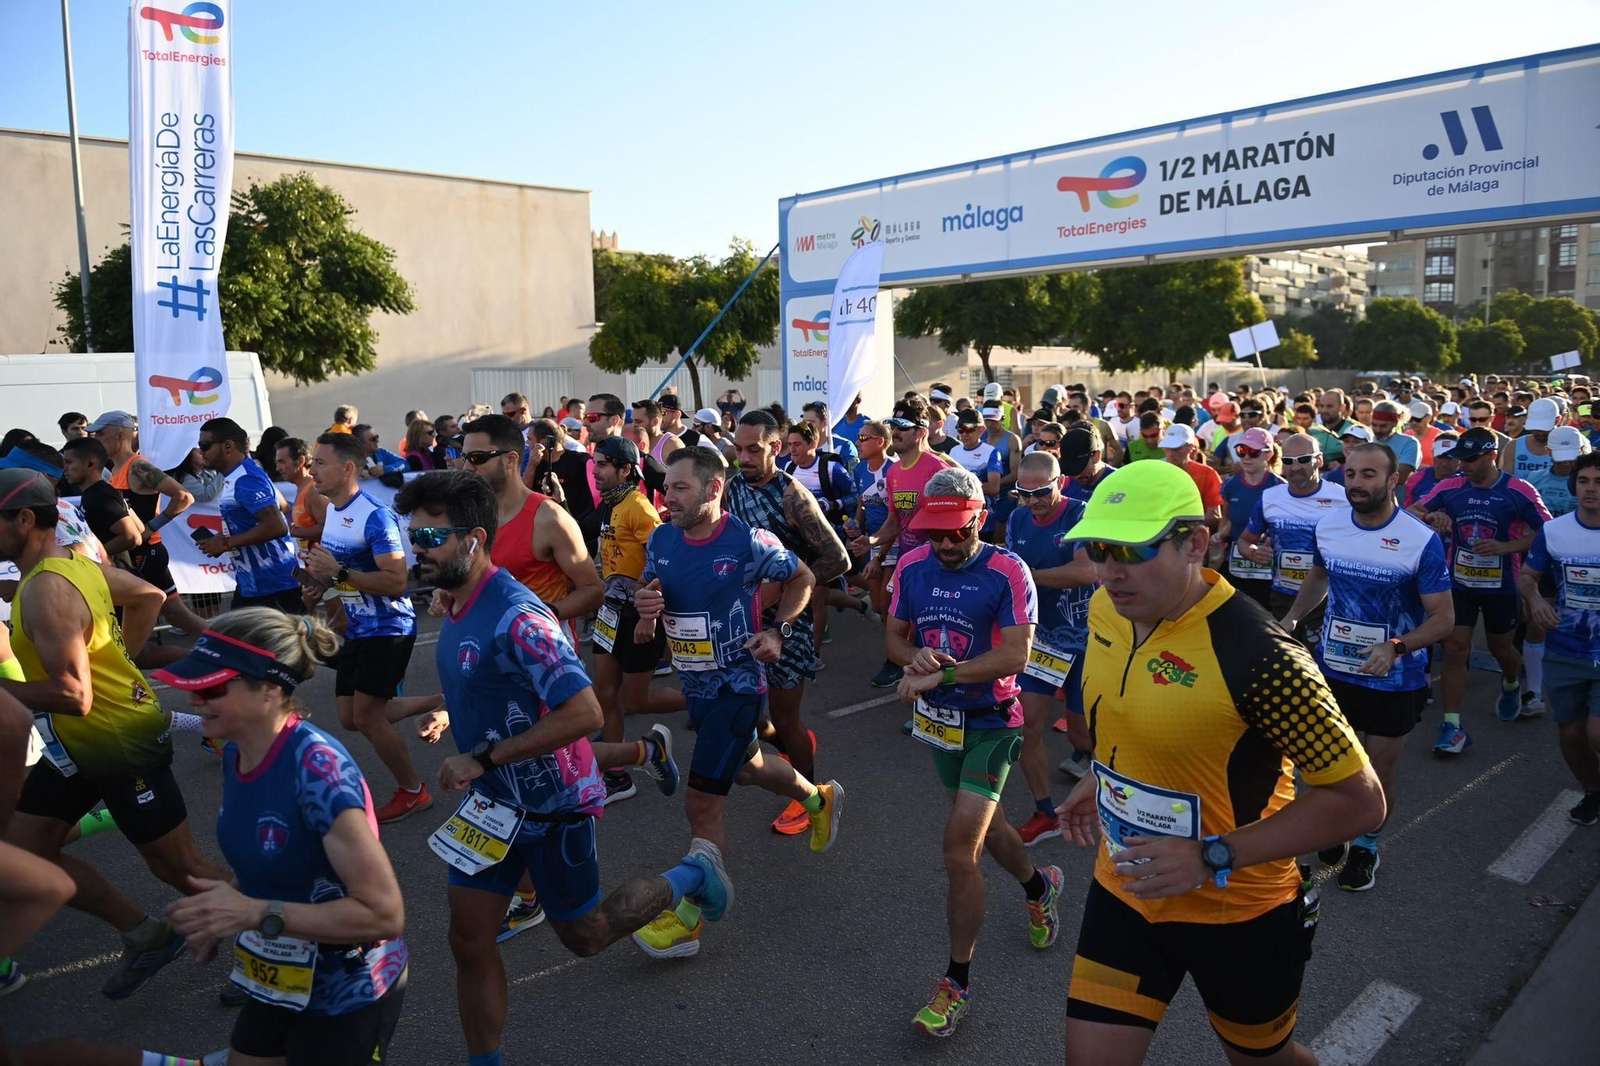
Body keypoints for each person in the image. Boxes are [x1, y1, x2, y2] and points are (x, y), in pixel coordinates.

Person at [1056, 459, 1384, 1065]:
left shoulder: (1260, 653)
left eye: (1132, 549)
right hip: (1128, 892)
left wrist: (1211, 855)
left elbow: (1360, 802)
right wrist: (1105, 775)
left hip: (1241, 913)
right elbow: (1134, 715)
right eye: (1098, 548)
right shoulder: (1107, 608)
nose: (1109, 571)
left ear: (1195, 543)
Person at [394, 471, 691, 1066]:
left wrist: (481, 756)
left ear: (474, 539)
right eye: (413, 536)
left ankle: (692, 875)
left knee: (586, 936)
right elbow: (496, 683)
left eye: (429, 537)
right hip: (491, 807)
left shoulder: (520, 617)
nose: (416, 549)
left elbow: (585, 712)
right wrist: (454, 713)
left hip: (553, 808)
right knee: (468, 940)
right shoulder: (457, 602)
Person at [0, 469, 231, 1000]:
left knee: (179, 867)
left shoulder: (47, 590)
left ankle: (298, 940)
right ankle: (146, 935)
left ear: (24, 519)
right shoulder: (74, 563)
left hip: (118, 741)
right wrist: (122, 658)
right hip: (78, 743)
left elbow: (73, 694)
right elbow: (147, 595)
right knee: (22, 855)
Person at [154, 611, 409, 1066]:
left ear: (270, 689)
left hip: (348, 988)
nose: (193, 699)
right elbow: (278, 857)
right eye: (193, 686)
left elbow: (384, 914)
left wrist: (254, 913)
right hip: (283, 971)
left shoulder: (319, 774)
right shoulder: (237, 751)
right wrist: (222, 909)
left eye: (211, 688)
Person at [629, 448, 842, 958]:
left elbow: (803, 577)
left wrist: (779, 630)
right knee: (748, 768)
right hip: (695, 685)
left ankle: (688, 921)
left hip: (738, 686)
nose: (667, 496)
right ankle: (820, 799)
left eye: (680, 488)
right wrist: (645, 607)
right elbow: (650, 588)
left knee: (701, 804)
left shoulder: (749, 541)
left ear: (713, 489)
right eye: (666, 487)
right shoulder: (660, 538)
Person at [885, 467, 1061, 1037]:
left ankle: (955, 984)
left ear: (981, 519)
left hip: (992, 722)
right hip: (941, 723)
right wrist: (913, 658)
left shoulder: (1008, 569)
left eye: (956, 532)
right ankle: (1038, 887)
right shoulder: (912, 565)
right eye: (934, 533)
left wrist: (942, 674)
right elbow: (893, 637)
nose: (944, 544)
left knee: (960, 848)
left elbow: (1016, 655)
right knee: (991, 827)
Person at [1281, 442, 1455, 892]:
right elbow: (1319, 577)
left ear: (1393, 480)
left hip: (1393, 679)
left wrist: (1396, 646)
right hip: (1334, 671)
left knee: (1377, 772)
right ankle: (1334, 825)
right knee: (1325, 764)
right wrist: (1292, 619)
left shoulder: (1420, 539)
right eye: (1351, 474)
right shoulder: (1329, 526)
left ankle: (1366, 845)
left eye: (1369, 475)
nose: (1356, 483)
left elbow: (1443, 618)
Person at [725, 410, 850, 833]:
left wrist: (787, 587)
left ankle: (811, 796)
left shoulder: (792, 495)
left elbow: (838, 559)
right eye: (738, 449)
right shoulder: (733, 487)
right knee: (746, 711)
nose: (743, 457)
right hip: (742, 618)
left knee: (785, 715)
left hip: (787, 622)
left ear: (775, 448)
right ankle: (793, 747)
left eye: (753, 449)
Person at [308, 431, 431, 824]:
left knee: (367, 717)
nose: (311, 470)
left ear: (347, 468)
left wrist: (339, 572)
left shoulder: (376, 516)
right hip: (358, 627)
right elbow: (340, 572)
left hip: (389, 626)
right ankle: (442, 701)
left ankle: (413, 791)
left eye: (320, 463)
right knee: (349, 716)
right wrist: (320, 583)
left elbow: (396, 581)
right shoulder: (333, 511)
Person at [1409, 426, 1552, 750]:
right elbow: (1413, 512)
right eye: (1462, 458)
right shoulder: (1450, 487)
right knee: (1455, 648)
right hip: (1459, 583)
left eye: (1471, 459)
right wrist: (1433, 518)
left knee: (1502, 649)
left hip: (1502, 586)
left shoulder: (1519, 490)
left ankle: (1512, 682)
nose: (1464, 465)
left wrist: (1507, 547)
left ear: (1492, 456)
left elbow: (1549, 532)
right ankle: (1452, 726)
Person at [589, 435, 684, 803]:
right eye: (595, 463)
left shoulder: (639, 507)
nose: (595, 471)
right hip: (610, 614)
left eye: (602, 465)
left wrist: (649, 617)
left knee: (636, 701)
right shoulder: (609, 504)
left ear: (625, 470)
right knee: (605, 695)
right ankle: (617, 775)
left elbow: (665, 565)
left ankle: (705, 701)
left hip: (637, 617)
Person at [1003, 452, 1097, 827]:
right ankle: (1045, 812)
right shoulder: (1017, 518)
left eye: (1041, 492)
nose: (1033, 502)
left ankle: (1095, 767)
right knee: (1027, 725)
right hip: (1042, 640)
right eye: (1024, 494)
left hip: (1088, 640)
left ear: (1060, 482)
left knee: (1082, 732)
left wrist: (1029, 576)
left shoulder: (1081, 514)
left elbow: (1086, 571)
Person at [460, 415, 604, 649]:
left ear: (510, 460)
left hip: (542, 654)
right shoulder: (471, 514)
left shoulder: (549, 517)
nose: (467, 467)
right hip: (485, 647)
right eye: (465, 457)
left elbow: (593, 590)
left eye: (477, 458)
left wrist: (539, 616)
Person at [1518, 451, 1600, 826]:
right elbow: (1527, 577)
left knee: (1596, 732)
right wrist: (1536, 601)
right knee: (1571, 734)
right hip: (1565, 648)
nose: (1590, 489)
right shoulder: (1555, 531)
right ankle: (1593, 792)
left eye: (1598, 482)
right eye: (1583, 481)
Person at [852, 398, 955, 690]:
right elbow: (895, 522)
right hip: (907, 561)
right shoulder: (894, 472)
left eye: (903, 426)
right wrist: (871, 540)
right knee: (894, 616)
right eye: (893, 425)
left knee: (934, 627)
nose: (895, 431)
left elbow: (954, 521)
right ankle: (898, 664)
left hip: (938, 564)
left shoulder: (938, 469)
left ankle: (942, 684)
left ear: (921, 432)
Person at [1235, 433, 1348, 639]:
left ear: (1319, 460)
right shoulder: (1270, 497)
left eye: (1303, 460)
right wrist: (1253, 553)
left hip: (1328, 599)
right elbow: (1245, 541)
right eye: (1288, 461)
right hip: (1283, 597)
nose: (1295, 467)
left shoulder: (1342, 498)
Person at [196, 418, 304, 613]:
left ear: (228, 446)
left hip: (273, 585)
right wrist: (223, 540)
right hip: (252, 584)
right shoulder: (236, 476)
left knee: (296, 634)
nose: (201, 451)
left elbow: (277, 526)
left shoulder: (245, 479)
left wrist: (226, 543)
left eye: (205, 445)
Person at [1216, 428, 1283, 609]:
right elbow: (1227, 520)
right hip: (1235, 566)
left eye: (1253, 452)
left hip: (1268, 568)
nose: (1246, 457)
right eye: (1241, 451)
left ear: (1268, 454)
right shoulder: (1230, 485)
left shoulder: (1280, 487)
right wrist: (1219, 535)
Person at [1157, 424, 1223, 530]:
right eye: (1167, 448)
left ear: (1191, 448)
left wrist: (1181, 525)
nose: (1171, 453)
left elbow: (1214, 516)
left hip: (1193, 535)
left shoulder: (1208, 474)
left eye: (1176, 448)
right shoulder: (1157, 471)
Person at [277, 436, 328, 550]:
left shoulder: (313, 490)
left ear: (300, 461)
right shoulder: (302, 488)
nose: (278, 468)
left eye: (282, 462)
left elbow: (327, 528)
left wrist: (292, 531)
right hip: (310, 558)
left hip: (322, 558)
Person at [1370, 400, 1421, 485]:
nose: (1378, 430)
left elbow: (1401, 477)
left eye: (1383, 426)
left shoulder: (1409, 443)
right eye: (1374, 425)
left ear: (1395, 423)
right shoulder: (1368, 439)